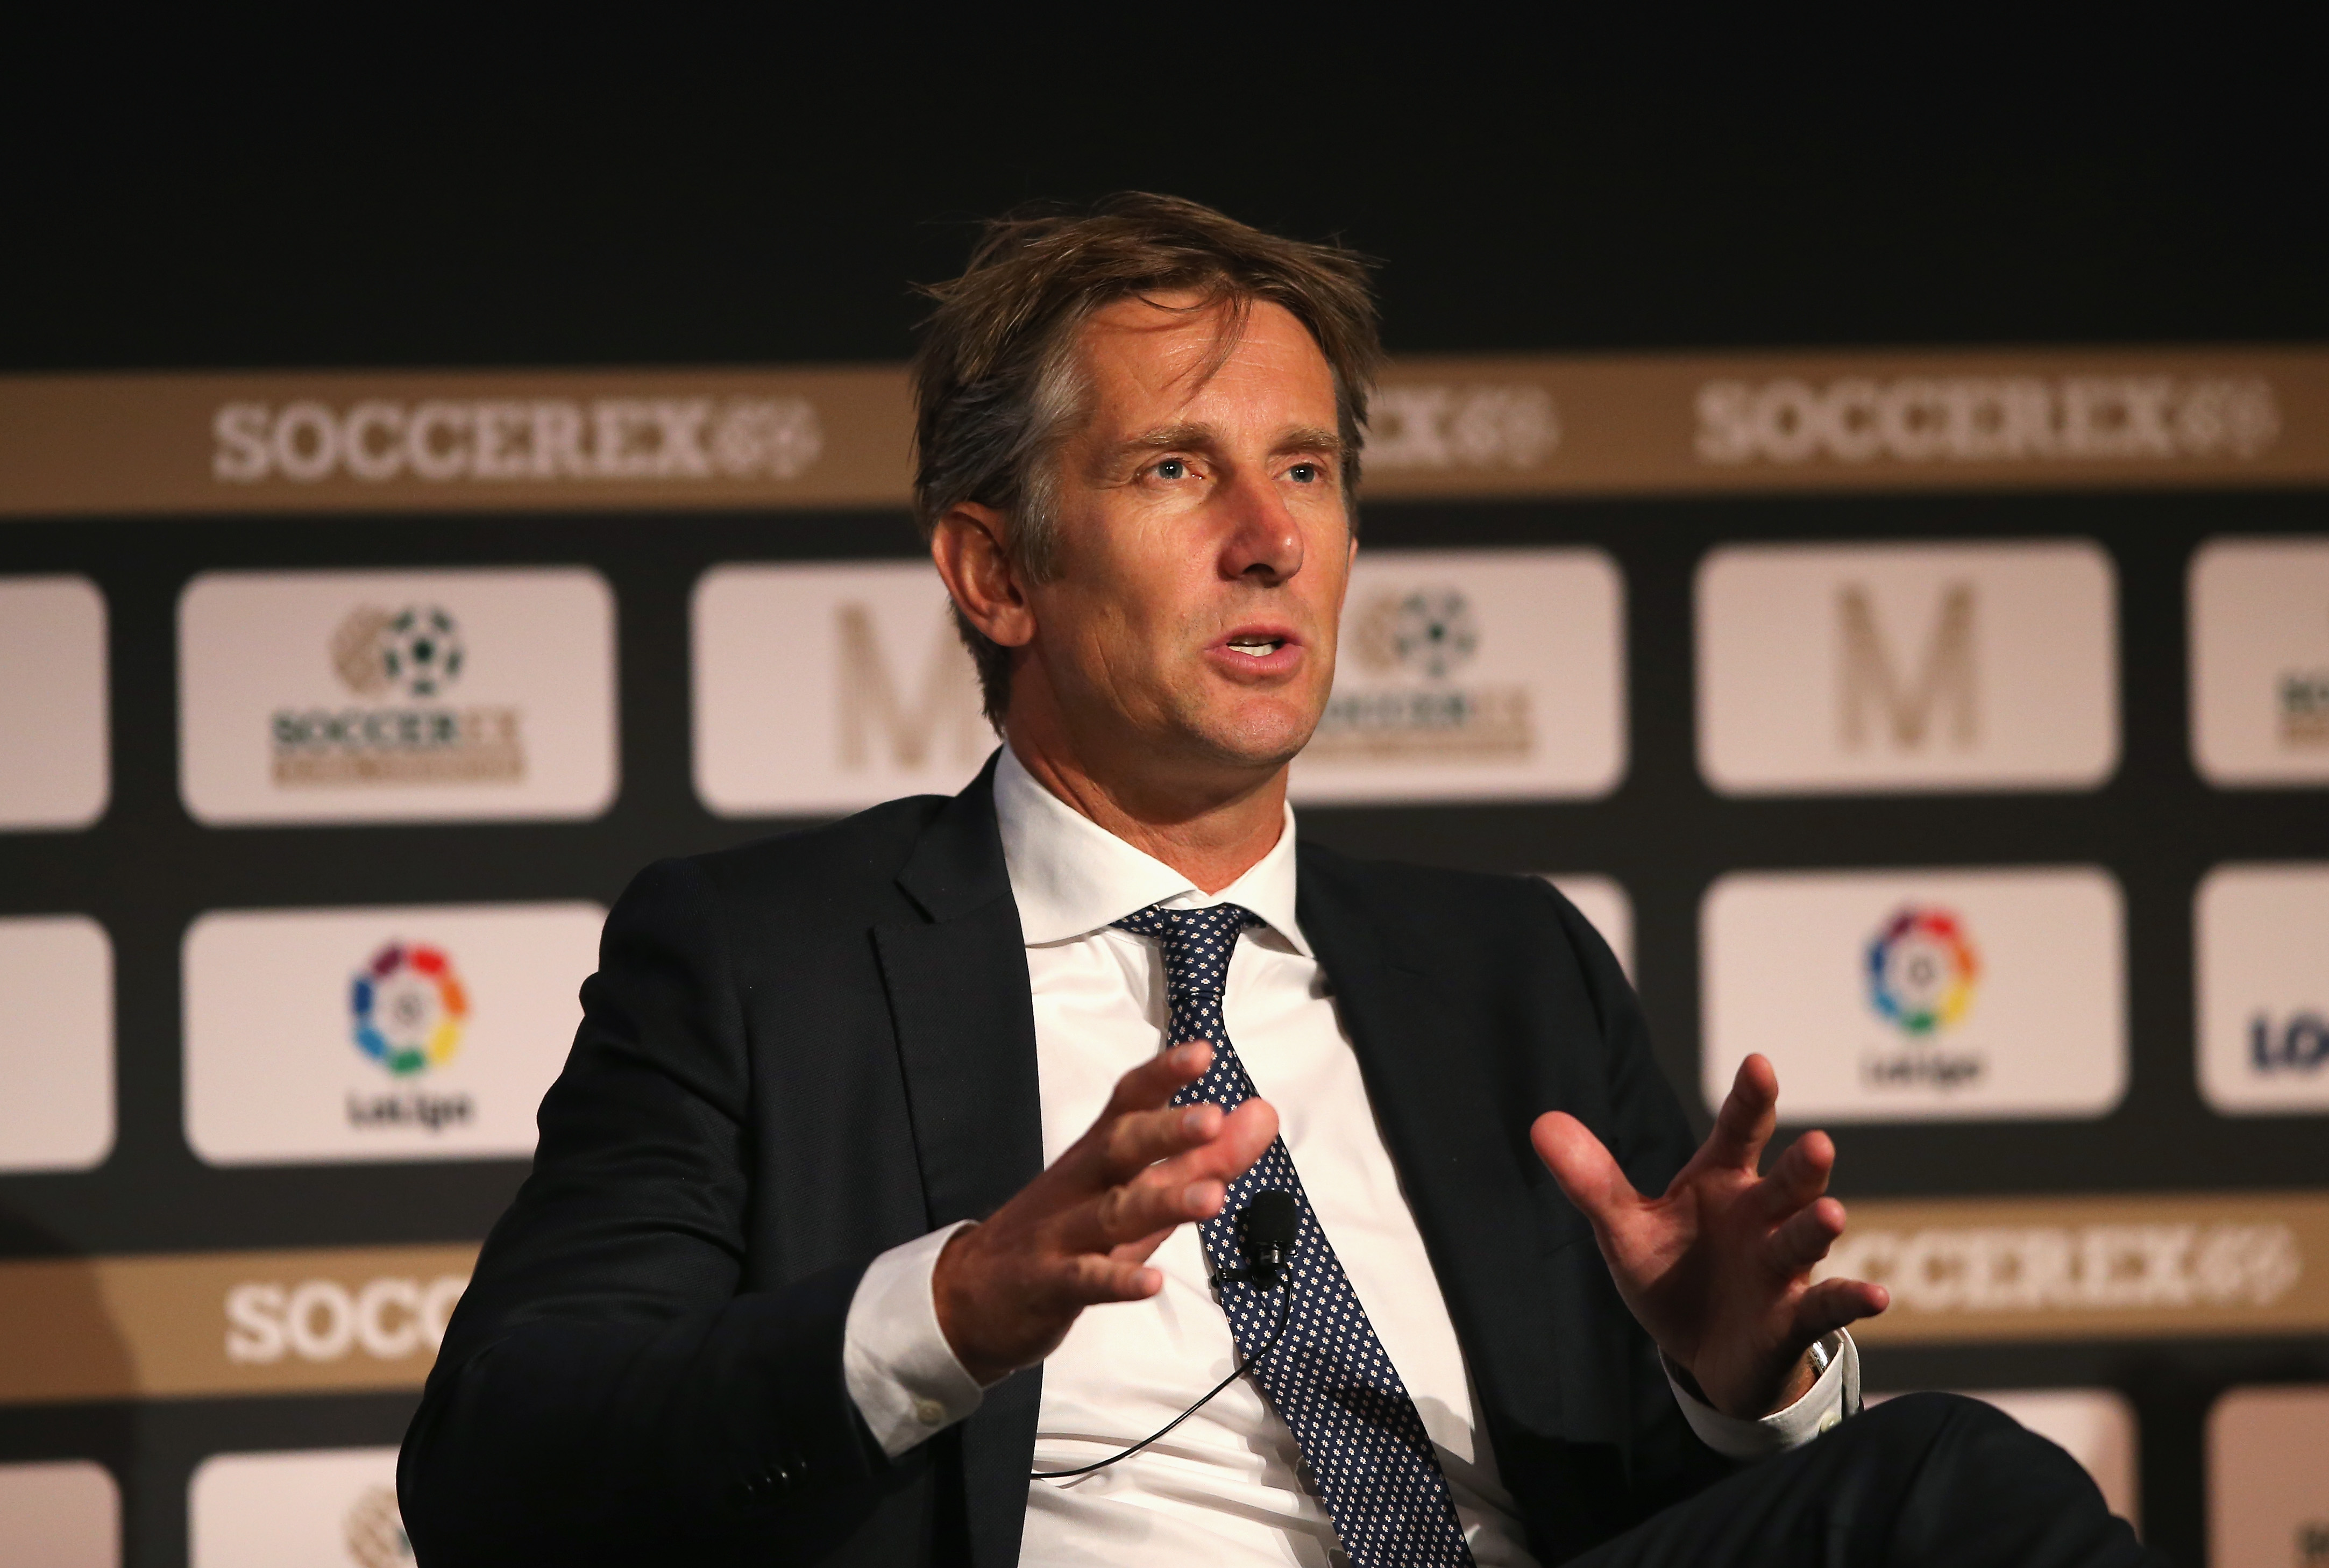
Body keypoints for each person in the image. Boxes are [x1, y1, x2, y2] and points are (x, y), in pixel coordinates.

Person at [399, 194, 2155, 1567]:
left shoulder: (1507, 970)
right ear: (995, 570)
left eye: (1306, 467)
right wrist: (951, 1302)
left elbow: (1651, 1504)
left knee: (1938, 1481)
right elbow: (500, 1465)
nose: (1272, 534)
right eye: (1177, 467)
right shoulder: (765, 960)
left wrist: (1730, 1391)